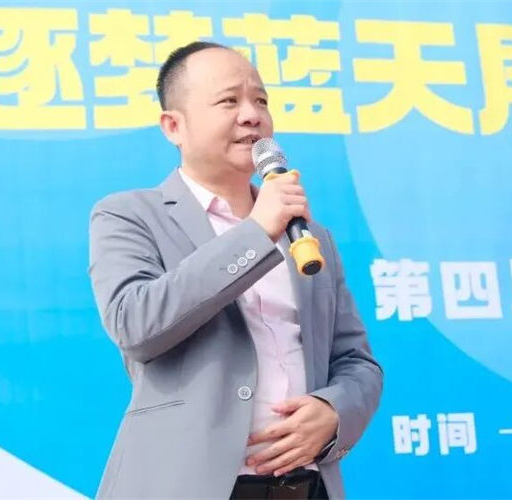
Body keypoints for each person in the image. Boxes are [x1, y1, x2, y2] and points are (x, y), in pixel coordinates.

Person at [88, 41, 383, 499]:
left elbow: (355, 361)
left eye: (260, 100)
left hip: (303, 488)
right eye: (229, 101)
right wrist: (256, 232)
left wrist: (334, 412)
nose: (252, 115)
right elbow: (136, 324)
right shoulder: (129, 215)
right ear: (174, 126)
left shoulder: (309, 236)